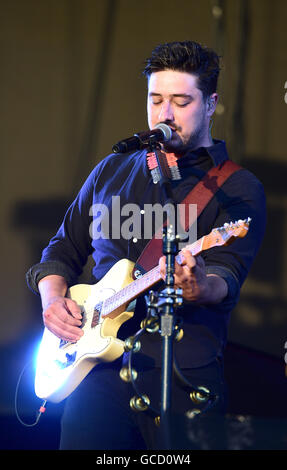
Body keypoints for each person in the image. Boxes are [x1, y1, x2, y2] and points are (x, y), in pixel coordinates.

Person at [26, 40, 266, 450]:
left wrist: (198, 285)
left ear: (211, 103)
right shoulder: (111, 170)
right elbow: (62, 249)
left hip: (183, 379)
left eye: (181, 101)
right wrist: (52, 301)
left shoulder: (237, 188)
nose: (165, 115)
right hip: (94, 376)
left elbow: (226, 276)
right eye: (156, 100)